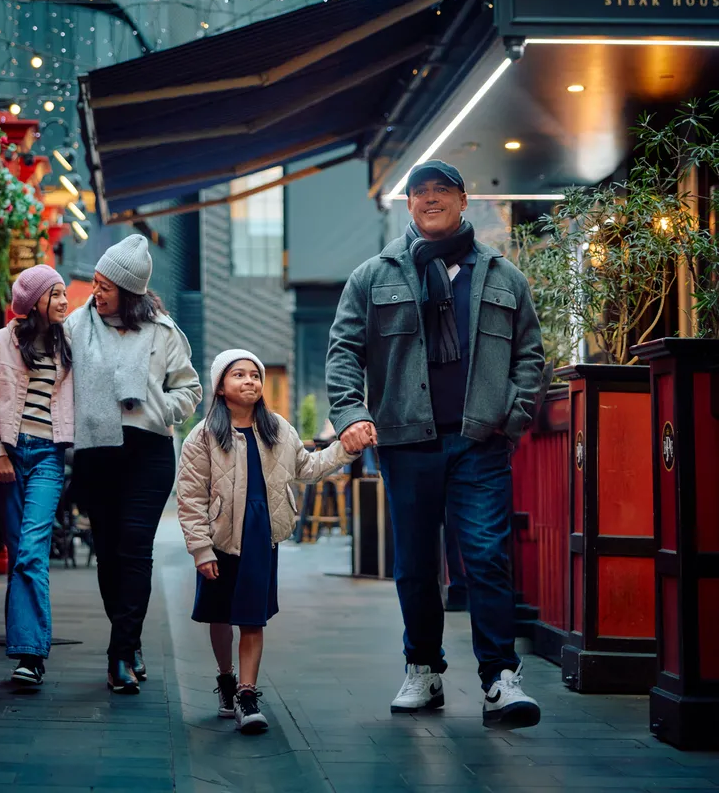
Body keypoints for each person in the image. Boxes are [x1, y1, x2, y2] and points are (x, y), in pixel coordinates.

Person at [326, 159, 549, 728]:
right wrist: (351, 413)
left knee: (486, 556)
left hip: (479, 440)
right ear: (408, 205)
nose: (430, 199)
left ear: (463, 200)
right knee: (417, 565)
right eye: (419, 192)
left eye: (441, 191)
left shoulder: (502, 276)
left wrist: (513, 416)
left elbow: (530, 354)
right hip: (406, 441)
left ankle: (501, 677)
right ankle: (423, 669)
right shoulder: (373, 277)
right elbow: (344, 350)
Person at [177, 350, 356, 735]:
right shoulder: (203, 435)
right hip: (221, 539)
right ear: (220, 387)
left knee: (252, 618)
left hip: (262, 537)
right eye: (238, 374)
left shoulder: (279, 429)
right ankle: (226, 677)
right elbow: (190, 498)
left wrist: (346, 449)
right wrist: (200, 549)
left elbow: (308, 469)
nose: (250, 381)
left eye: (254, 375)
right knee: (221, 615)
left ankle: (246, 693)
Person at [68, 234, 202, 695]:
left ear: (129, 291)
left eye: (105, 286)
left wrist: (158, 407)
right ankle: (131, 639)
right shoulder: (74, 328)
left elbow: (190, 390)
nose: (96, 291)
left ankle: (120, 654)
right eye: (96, 282)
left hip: (147, 453)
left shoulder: (162, 332)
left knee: (134, 551)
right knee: (108, 555)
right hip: (96, 452)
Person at [0, 265, 73, 688]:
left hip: (48, 456)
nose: (65, 301)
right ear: (34, 302)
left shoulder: (71, 344)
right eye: (57, 294)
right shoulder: (1, 342)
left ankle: (29, 654)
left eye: (65, 293)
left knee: (31, 551)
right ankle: (28, 653)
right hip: (9, 457)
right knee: (19, 555)